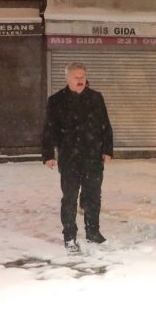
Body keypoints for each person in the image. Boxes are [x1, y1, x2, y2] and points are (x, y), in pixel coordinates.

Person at [42, 62, 113, 252]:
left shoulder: (96, 98)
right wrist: (48, 154)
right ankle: (69, 236)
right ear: (67, 79)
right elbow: (49, 129)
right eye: (76, 77)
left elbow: (105, 125)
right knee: (70, 198)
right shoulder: (56, 100)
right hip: (69, 158)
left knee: (93, 196)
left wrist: (107, 150)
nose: (80, 80)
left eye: (83, 76)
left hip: (93, 156)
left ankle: (93, 232)